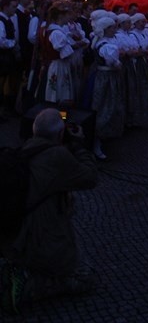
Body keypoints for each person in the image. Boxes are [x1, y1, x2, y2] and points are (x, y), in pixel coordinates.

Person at [0, 108, 98, 314]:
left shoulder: (25, 149)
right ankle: (27, 284)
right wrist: (79, 146)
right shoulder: (57, 156)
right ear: (61, 134)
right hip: (35, 237)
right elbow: (90, 177)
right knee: (84, 277)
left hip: (13, 235)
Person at [91, 17, 125, 160]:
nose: (114, 30)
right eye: (112, 28)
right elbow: (112, 62)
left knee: (109, 107)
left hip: (108, 78)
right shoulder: (105, 45)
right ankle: (96, 141)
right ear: (105, 29)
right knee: (103, 107)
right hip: (105, 79)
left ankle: (104, 136)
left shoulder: (107, 43)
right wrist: (118, 64)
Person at [0, 0, 18, 121]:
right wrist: (13, 43)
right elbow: (1, 41)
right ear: (5, 7)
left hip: (7, 58)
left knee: (4, 85)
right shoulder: (1, 21)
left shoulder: (8, 20)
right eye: (13, 7)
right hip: (2, 57)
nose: (15, 10)